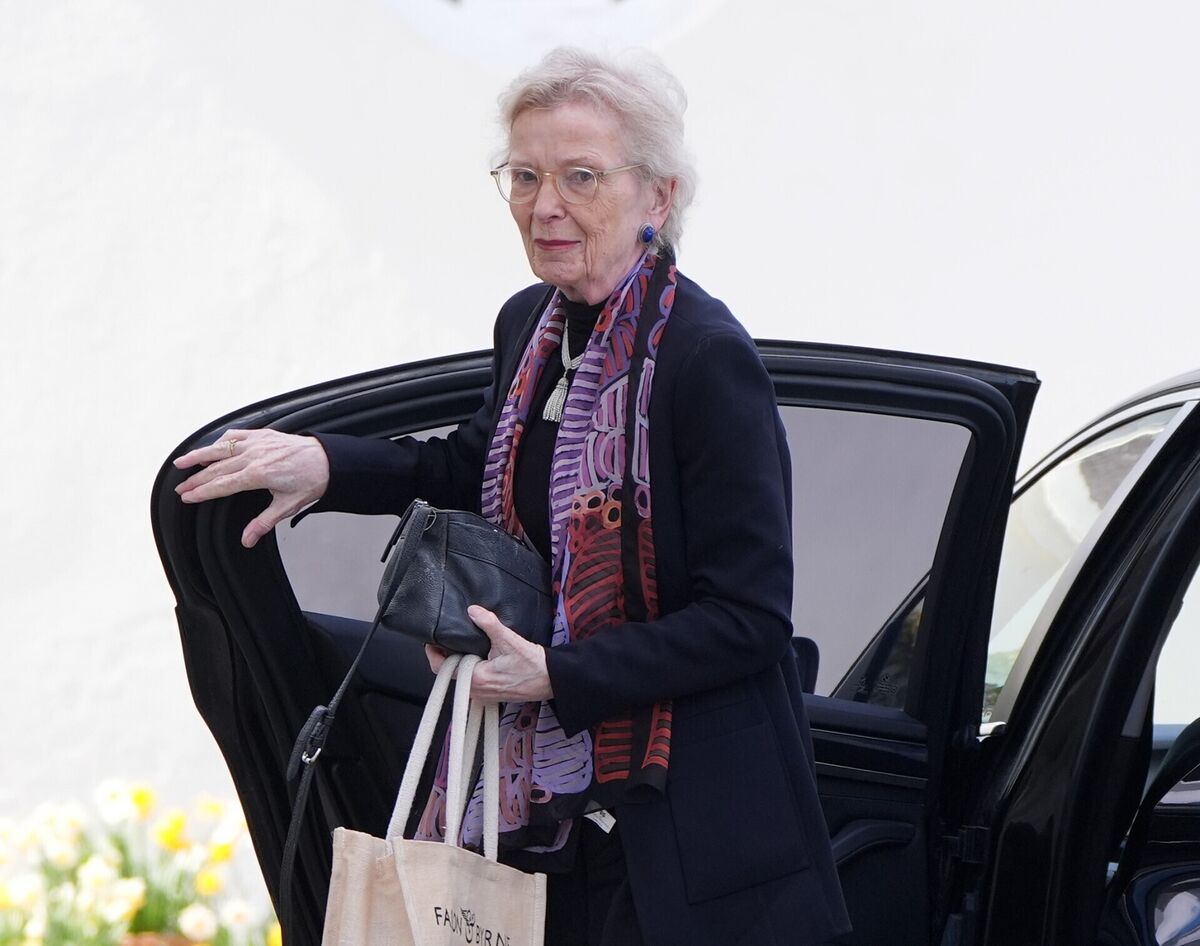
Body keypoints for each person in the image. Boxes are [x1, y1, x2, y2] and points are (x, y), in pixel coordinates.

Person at [175, 46, 850, 946]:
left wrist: (558, 673)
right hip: (541, 814)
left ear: (658, 198)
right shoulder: (530, 324)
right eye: (524, 176)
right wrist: (327, 467)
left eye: (580, 176)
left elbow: (748, 618)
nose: (545, 205)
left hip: (676, 829)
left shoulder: (704, 357)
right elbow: (471, 467)